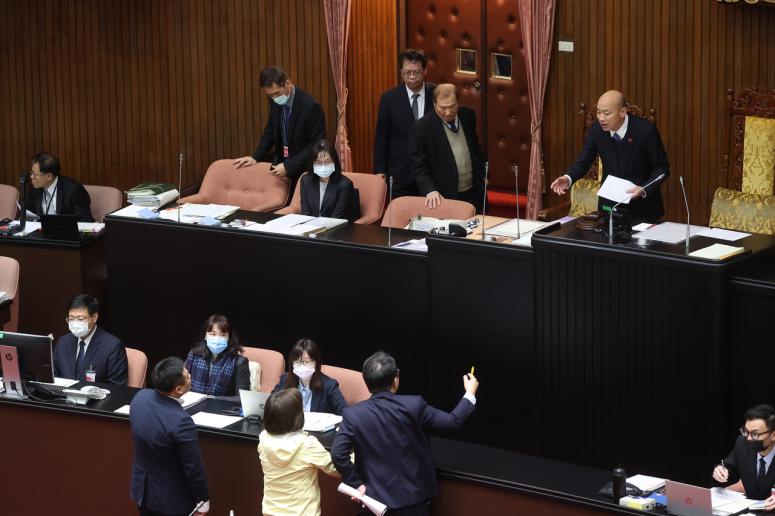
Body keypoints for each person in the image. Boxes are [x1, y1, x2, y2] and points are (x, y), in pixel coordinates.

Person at [331, 351, 479, 515]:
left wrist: (356, 484)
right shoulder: (414, 405)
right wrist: (470, 393)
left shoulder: (353, 414)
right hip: (413, 501)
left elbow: (338, 454)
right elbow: (452, 422)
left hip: (372, 502)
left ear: (366, 382)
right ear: (396, 379)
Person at [549, 89, 669, 224]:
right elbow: (583, 162)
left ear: (622, 112)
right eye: (598, 112)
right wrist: (568, 178)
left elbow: (662, 168)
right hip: (609, 207)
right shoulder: (596, 130)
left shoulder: (645, 130)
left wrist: (644, 189)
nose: (601, 118)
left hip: (642, 207)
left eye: (606, 113)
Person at [130, 357, 209, 516]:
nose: (190, 375)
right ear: (178, 389)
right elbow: (193, 468)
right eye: (187, 375)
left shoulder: (140, 397)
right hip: (170, 500)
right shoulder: (181, 421)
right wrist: (203, 501)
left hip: (142, 492)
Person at [233, 66, 325, 181]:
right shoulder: (275, 101)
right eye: (271, 95)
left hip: (303, 169)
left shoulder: (310, 106)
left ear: (288, 83)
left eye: (277, 93)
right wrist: (255, 157)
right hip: (281, 164)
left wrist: (289, 166)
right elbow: (271, 130)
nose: (275, 98)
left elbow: (316, 144)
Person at [258, 388, 339, 516]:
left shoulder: (263, 440)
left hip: (271, 512)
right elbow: (337, 468)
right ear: (297, 417)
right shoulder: (307, 445)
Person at [409, 83, 486, 212]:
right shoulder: (422, 127)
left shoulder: (468, 115)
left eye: (452, 106)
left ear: (458, 102)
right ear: (434, 104)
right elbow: (418, 165)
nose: (448, 112)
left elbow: (475, 148)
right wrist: (430, 190)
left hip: (473, 191)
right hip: (444, 195)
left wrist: (484, 173)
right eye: (443, 108)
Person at [373, 49, 436, 197]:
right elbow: (381, 140)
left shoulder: (436, 94)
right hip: (400, 173)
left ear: (425, 71)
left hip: (431, 173)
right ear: (401, 72)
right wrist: (379, 171)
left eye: (417, 72)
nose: (412, 77)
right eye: (407, 72)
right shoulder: (389, 99)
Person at [53, 293, 128, 385]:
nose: (75, 324)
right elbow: (52, 376)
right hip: (62, 393)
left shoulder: (112, 346)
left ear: (94, 317)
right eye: (71, 319)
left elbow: (117, 387)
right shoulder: (63, 342)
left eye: (81, 319)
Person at [713, 404, 775, 508]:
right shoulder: (742, 444)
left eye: (755, 434)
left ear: (773, 435)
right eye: (746, 432)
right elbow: (728, 466)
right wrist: (720, 472)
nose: (749, 438)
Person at [273, 338, 347, 415]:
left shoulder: (329, 386)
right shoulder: (285, 380)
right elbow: (272, 404)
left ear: (316, 363)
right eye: (297, 362)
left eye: (307, 362)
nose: (302, 366)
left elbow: (345, 414)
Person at [184, 314, 250, 397]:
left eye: (223, 335)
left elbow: (242, 398)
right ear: (205, 336)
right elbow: (181, 384)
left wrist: (212, 398)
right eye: (213, 334)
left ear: (229, 337)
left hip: (221, 405)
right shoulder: (194, 355)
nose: (217, 339)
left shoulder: (240, 362)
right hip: (193, 403)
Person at [25, 152, 93, 222]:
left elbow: (85, 221)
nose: (31, 177)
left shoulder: (74, 190)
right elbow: (29, 214)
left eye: (35, 174)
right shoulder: (35, 188)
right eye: (32, 172)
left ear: (49, 176)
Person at [299, 139, 357, 221]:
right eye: (318, 163)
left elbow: (336, 218)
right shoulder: (305, 181)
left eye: (327, 162)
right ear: (312, 164)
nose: (323, 166)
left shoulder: (345, 185)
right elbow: (306, 213)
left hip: (336, 227)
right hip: (310, 226)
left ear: (335, 162)